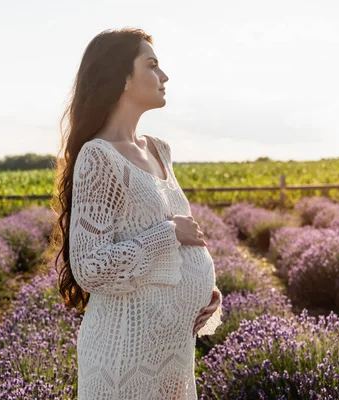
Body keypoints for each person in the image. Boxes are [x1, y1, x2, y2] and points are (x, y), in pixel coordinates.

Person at [52, 27, 223, 400]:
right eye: (152, 65)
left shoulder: (159, 150)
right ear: (123, 78)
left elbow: (178, 248)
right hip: (124, 354)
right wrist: (168, 233)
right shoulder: (99, 157)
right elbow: (90, 266)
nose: (164, 77)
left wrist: (206, 293)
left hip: (172, 350)